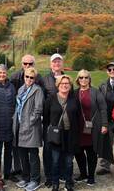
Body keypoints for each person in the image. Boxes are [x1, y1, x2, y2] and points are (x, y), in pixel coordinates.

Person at [43, 75, 79, 191]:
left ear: (70, 85)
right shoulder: (51, 99)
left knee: (69, 162)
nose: (64, 85)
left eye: (67, 83)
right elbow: (46, 117)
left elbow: (78, 118)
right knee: (55, 161)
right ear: (58, 85)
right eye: (62, 83)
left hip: (70, 135)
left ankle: (68, 183)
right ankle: (55, 183)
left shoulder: (74, 99)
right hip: (56, 135)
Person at [10, 54, 44, 177]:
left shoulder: (37, 90)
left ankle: (35, 178)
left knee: (33, 155)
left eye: (31, 77)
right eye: (27, 76)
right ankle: (26, 176)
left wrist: (29, 121)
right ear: (23, 76)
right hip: (20, 126)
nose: (29, 79)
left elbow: (38, 110)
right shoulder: (20, 90)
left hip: (31, 127)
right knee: (22, 154)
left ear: (35, 79)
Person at [74, 69, 108, 186]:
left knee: (91, 152)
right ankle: (83, 173)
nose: (83, 79)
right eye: (81, 77)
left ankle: (91, 176)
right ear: (78, 79)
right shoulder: (74, 92)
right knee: (78, 152)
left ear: (89, 79)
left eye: (86, 77)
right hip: (78, 128)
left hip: (93, 126)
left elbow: (103, 108)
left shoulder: (95, 92)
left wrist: (104, 124)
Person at [0, 64, 18, 182]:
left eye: (4, 73)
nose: (2, 75)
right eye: (0, 72)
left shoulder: (11, 86)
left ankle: (7, 173)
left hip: (10, 123)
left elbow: (14, 104)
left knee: (9, 151)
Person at [42, 53, 65, 187]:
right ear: (51, 64)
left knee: (62, 146)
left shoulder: (66, 78)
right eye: (54, 62)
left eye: (59, 62)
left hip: (63, 119)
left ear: (62, 64)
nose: (56, 64)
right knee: (48, 148)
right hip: (49, 119)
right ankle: (49, 175)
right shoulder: (45, 79)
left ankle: (61, 172)